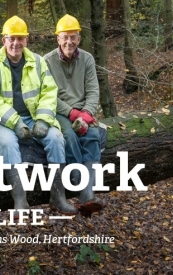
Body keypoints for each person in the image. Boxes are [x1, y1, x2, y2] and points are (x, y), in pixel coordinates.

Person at [0, 16, 78, 216]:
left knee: (56, 138)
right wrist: (16, 124)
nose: (15, 43)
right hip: (4, 121)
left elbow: (49, 92)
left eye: (20, 38)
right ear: (4, 40)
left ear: (26, 40)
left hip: (34, 116)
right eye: (11, 38)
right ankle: (20, 199)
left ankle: (58, 196)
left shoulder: (38, 61)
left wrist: (42, 119)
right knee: (7, 142)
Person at [43, 14, 105, 214]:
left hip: (84, 112)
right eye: (65, 37)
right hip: (61, 112)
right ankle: (79, 181)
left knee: (93, 136)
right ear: (58, 39)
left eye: (73, 37)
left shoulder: (87, 59)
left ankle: (87, 195)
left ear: (79, 38)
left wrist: (87, 114)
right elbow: (49, 96)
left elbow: (94, 90)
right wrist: (72, 114)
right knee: (69, 136)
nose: (69, 41)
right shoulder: (47, 62)